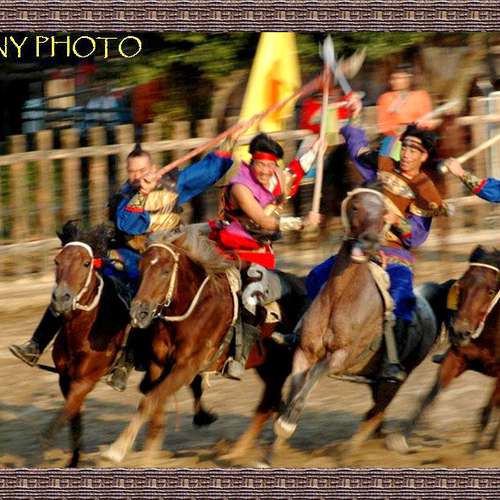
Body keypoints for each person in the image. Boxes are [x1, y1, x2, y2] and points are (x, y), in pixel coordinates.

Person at [9, 140, 235, 391]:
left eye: (142, 170)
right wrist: (143, 194)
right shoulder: (125, 196)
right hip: (130, 254)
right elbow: (129, 224)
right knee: (74, 282)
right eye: (132, 171)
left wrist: (223, 153)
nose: (137, 176)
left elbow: (202, 174)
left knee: (153, 289)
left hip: (165, 254)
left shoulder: (171, 185)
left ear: (153, 169)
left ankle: (130, 360)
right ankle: (37, 343)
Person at [307, 97, 448, 383]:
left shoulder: (426, 191)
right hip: (362, 246)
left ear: (424, 157)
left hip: (395, 256)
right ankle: (303, 333)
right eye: (405, 147)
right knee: (316, 277)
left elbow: (417, 236)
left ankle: (391, 359)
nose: (406, 154)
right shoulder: (384, 165)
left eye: (414, 150)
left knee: (401, 300)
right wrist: (355, 117)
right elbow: (357, 149)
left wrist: (397, 221)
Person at [209, 133, 323, 379]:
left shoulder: (274, 179)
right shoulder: (240, 187)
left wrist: (315, 150)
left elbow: (295, 172)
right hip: (234, 255)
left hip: (261, 257)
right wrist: (301, 222)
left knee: (300, 290)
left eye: (270, 165)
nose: (265, 171)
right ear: (252, 162)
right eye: (260, 164)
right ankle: (239, 355)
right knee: (252, 292)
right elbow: (262, 220)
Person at [377, 63, 437, 160]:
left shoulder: (421, 96)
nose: (395, 81)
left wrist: (420, 125)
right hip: (395, 139)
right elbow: (384, 126)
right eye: (393, 78)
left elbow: (429, 121)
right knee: (387, 156)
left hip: (418, 136)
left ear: (409, 79)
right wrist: (400, 129)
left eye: (400, 78)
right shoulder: (386, 98)